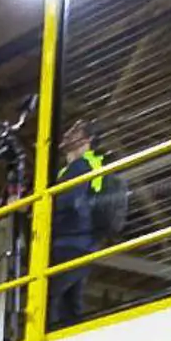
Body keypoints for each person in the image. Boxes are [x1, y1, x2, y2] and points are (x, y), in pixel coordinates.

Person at [45, 115, 120, 329]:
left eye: (74, 132)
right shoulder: (81, 167)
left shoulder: (81, 167)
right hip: (83, 244)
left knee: (46, 299)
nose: (67, 134)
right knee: (69, 307)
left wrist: (38, 211)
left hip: (70, 242)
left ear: (86, 139)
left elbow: (67, 202)